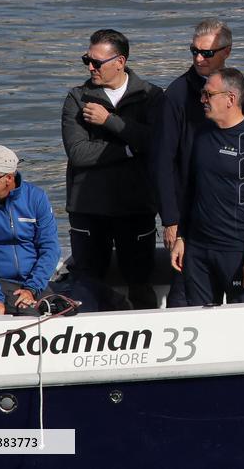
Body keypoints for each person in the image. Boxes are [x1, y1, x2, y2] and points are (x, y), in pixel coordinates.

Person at [153, 18, 244, 306]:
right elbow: (162, 161)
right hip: (191, 214)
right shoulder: (175, 95)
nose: (199, 58)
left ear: (227, 52)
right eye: (194, 51)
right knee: (185, 298)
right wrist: (171, 220)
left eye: (207, 53)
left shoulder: (243, 92)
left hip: (232, 217)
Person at [61, 29, 163, 311]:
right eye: (86, 60)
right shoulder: (78, 98)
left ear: (120, 61)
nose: (90, 67)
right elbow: (79, 154)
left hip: (136, 208)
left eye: (96, 62)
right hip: (89, 209)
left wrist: (110, 122)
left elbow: (156, 142)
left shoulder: (150, 96)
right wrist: (129, 149)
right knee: (88, 283)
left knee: (140, 283)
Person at [169, 68, 244, 305]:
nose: (202, 100)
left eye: (208, 94)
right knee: (199, 322)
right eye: (202, 93)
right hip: (198, 251)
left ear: (230, 99)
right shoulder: (202, 135)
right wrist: (182, 237)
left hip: (237, 253)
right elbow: (190, 191)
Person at [0, 146, 60, 316]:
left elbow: (50, 248)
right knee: (30, 312)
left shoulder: (36, 197)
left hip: (33, 279)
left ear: (8, 178)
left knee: (66, 307)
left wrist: (32, 288)